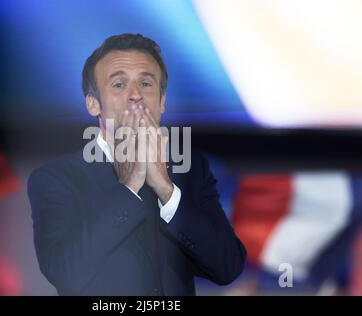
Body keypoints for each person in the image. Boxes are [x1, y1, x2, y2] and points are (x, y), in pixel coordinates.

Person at [28, 33, 246, 295]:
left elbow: (228, 266)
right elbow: (65, 273)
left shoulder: (190, 169)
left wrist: (166, 190)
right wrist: (129, 187)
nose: (135, 96)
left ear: (162, 101)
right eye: (119, 85)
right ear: (93, 103)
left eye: (145, 83)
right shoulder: (57, 178)